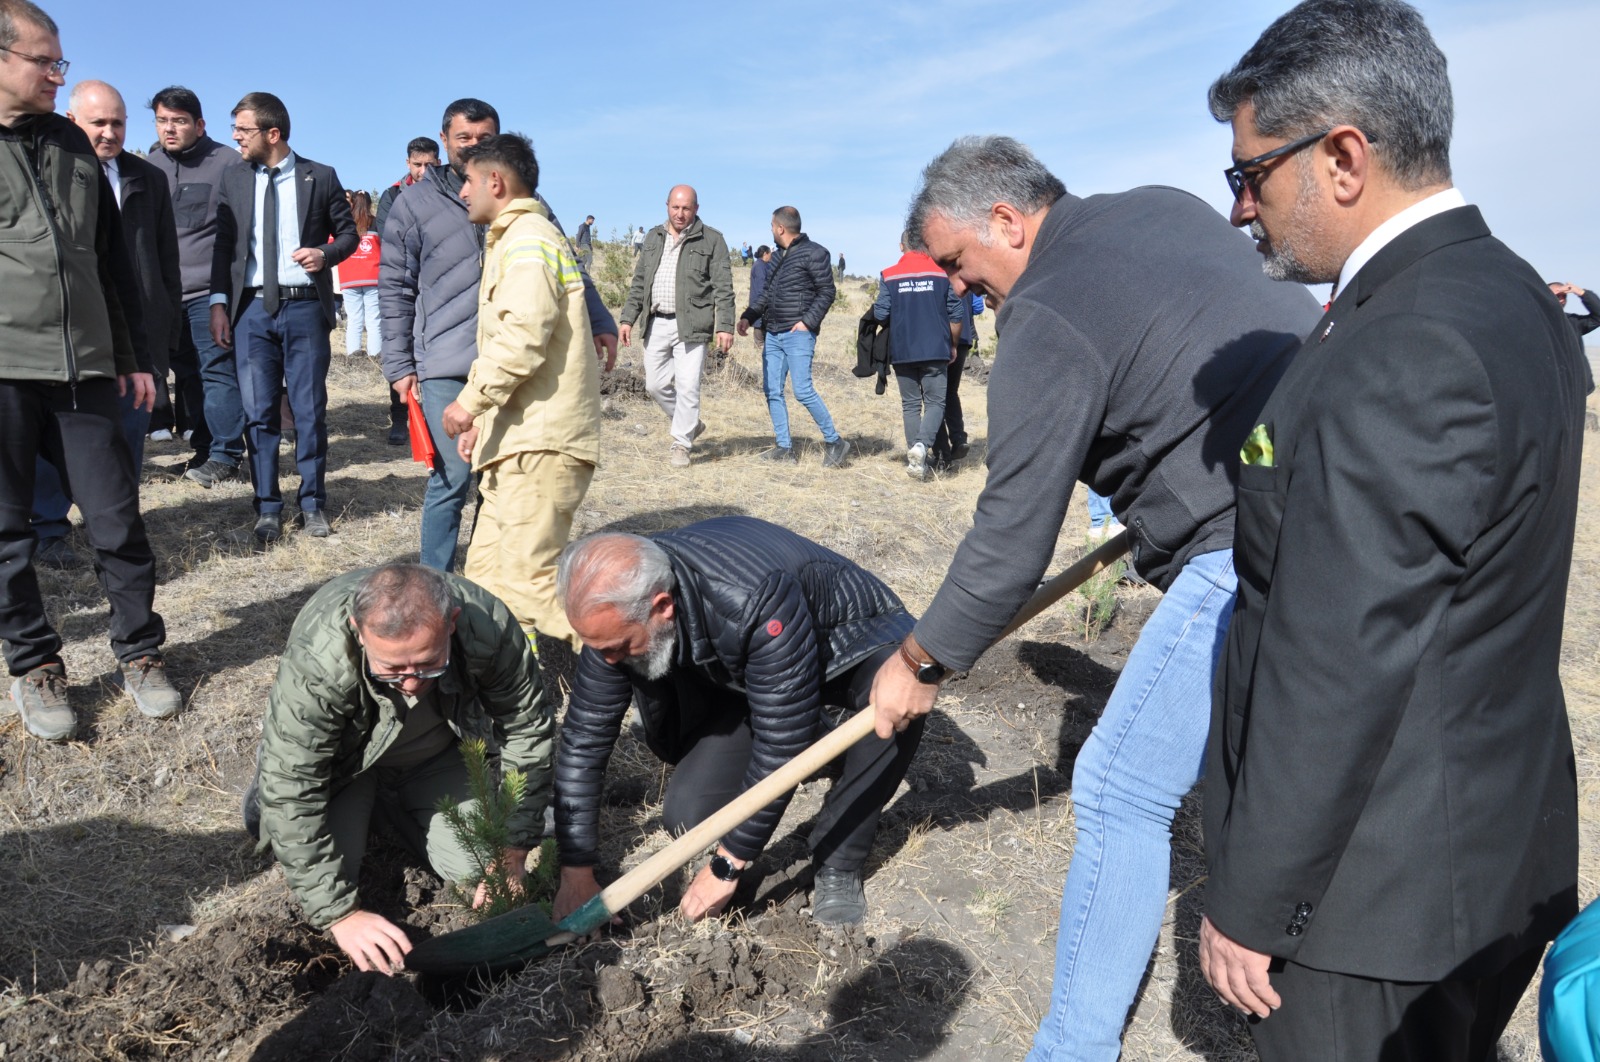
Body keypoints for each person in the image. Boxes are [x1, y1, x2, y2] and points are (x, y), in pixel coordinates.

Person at [867, 135, 1319, 1061]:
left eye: (955, 263)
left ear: (1007, 219)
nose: (955, 287)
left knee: (1116, 785)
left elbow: (1009, 538)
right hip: (1332, 497)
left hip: (1246, 546)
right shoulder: (1157, 205)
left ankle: (1070, 1049)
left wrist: (921, 660)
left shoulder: (1045, 309)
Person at [1198, 3, 1585, 1058]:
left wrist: (1251, 901)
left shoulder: (1403, 343)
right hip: (1493, 857)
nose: (1238, 209)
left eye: (1249, 174)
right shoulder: (1505, 295)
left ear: (1341, 156)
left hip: (1375, 909)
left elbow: (1338, 657)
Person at [550, 517, 922, 926]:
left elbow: (779, 744)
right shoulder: (614, 618)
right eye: (598, 647)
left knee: (893, 713)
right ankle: (815, 734)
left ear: (662, 607)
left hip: (851, 640)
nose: (607, 661)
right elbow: (585, 738)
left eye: (618, 647)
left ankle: (839, 861)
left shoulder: (753, 597)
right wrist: (576, 870)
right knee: (691, 817)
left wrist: (728, 865)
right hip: (752, 673)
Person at [0, 0, 183, 740]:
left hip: (87, 370)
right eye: (45, 61)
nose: (56, 74)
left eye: (59, 62)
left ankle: (140, 652)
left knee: (115, 518)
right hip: (6, 368)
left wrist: (134, 359)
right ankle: (35, 666)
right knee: (8, 535)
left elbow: (108, 267)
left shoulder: (76, 149)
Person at [243, 562, 553, 975]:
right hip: (344, 768)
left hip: (430, 758)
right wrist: (340, 915)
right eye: (390, 669)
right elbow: (293, 784)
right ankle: (355, 805)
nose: (409, 684)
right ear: (358, 630)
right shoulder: (320, 660)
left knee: (480, 869)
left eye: (427, 665)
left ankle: (390, 809)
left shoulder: (488, 627)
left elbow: (528, 728)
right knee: (327, 873)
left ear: (453, 624)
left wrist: (514, 846)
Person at [378, 98, 617, 574]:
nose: (472, 147)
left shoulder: (527, 206)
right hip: (447, 360)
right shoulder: (413, 202)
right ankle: (435, 582)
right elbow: (394, 286)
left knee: (501, 472)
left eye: (483, 139)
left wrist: (600, 319)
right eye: (463, 138)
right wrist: (399, 365)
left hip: (512, 364)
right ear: (444, 140)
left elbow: (565, 262)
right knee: (453, 477)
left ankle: (489, 580)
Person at [436, 133, 600, 653]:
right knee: (486, 584)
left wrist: (470, 403)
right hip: (518, 440)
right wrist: (486, 426)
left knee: (532, 585)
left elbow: (524, 338)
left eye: (466, 179)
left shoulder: (529, 241)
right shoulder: (515, 239)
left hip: (543, 443)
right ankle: (506, 691)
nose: (462, 191)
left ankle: (635, 666)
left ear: (496, 183)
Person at [32, 78, 183, 567]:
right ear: (73, 121)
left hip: (134, 336)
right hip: (68, 333)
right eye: (99, 122)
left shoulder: (147, 178)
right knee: (58, 436)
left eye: (118, 122)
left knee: (127, 434)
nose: (110, 132)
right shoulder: (44, 169)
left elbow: (165, 263)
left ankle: (116, 530)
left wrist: (163, 332)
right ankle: (50, 528)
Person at [209, 91, 357, 544]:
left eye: (243, 129)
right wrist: (219, 303)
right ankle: (267, 507)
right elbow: (221, 248)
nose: (235, 136)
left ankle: (312, 504)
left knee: (310, 410)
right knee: (259, 414)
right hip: (251, 311)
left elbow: (350, 234)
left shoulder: (321, 176)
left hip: (305, 309)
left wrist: (325, 252)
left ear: (272, 134)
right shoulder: (232, 179)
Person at [148, 84, 249, 486]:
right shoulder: (151, 165)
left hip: (210, 294)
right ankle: (205, 451)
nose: (169, 129)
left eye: (179, 121)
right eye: (161, 121)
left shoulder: (227, 161)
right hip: (165, 295)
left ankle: (227, 454)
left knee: (217, 372)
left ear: (200, 123)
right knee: (186, 375)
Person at [618, 185, 735, 467]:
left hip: (693, 324)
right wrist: (627, 318)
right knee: (655, 385)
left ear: (696, 209)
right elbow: (639, 282)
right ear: (667, 205)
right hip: (656, 322)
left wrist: (725, 325)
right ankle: (690, 423)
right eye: (675, 207)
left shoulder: (713, 240)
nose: (680, 214)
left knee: (688, 386)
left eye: (686, 208)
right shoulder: (653, 237)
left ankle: (681, 443)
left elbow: (724, 287)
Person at [736, 207, 851, 467]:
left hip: (797, 333)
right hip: (773, 333)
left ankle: (835, 442)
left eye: (772, 226)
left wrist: (807, 323)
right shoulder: (776, 258)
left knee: (802, 390)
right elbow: (766, 294)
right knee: (772, 390)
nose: (771, 230)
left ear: (780, 228)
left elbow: (827, 292)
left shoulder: (816, 253)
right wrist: (748, 315)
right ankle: (784, 448)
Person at [871, 233, 962, 479]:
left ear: (902, 246)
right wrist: (952, 345)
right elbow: (956, 313)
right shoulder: (942, 274)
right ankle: (922, 446)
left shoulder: (889, 275)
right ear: (926, 245)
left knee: (910, 404)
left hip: (903, 350)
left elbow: (881, 313)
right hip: (935, 349)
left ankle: (917, 459)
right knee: (935, 403)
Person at [930, 291, 979, 468]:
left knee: (934, 397)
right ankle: (959, 438)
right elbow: (977, 307)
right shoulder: (963, 271)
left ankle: (942, 455)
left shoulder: (934, 274)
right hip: (964, 336)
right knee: (951, 392)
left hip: (944, 337)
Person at [374, 135, 438, 239]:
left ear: (438, 163)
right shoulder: (392, 195)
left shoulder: (450, 192)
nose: (423, 171)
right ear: (408, 163)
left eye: (428, 165)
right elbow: (388, 238)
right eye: (417, 165)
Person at [748, 244, 774, 349]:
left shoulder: (763, 265)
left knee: (764, 322)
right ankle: (759, 345)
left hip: (762, 299)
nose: (771, 256)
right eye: (770, 254)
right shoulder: (759, 266)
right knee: (758, 322)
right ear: (765, 254)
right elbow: (761, 285)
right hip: (759, 299)